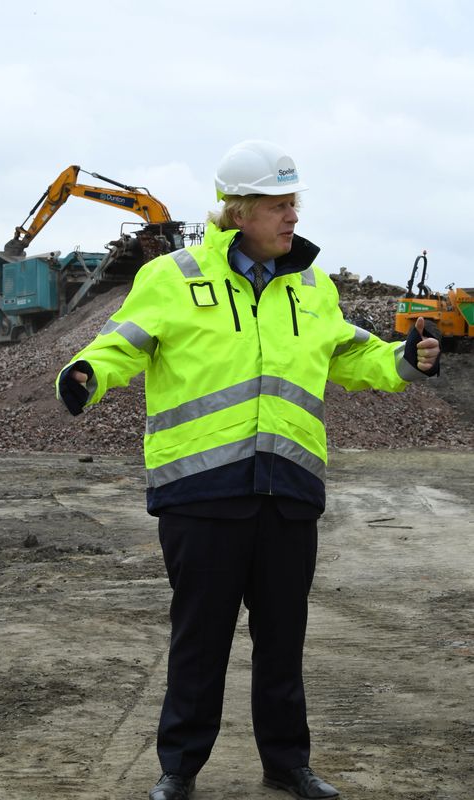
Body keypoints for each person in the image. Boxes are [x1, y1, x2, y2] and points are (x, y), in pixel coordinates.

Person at [56, 140, 440, 800]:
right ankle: (179, 768)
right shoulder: (174, 278)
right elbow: (121, 343)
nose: (292, 216)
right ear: (236, 212)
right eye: (277, 205)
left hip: (288, 489)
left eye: (293, 203)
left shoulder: (311, 287)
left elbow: (352, 356)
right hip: (199, 491)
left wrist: (404, 362)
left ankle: (286, 762)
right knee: (199, 641)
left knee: (282, 640)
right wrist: (85, 375)